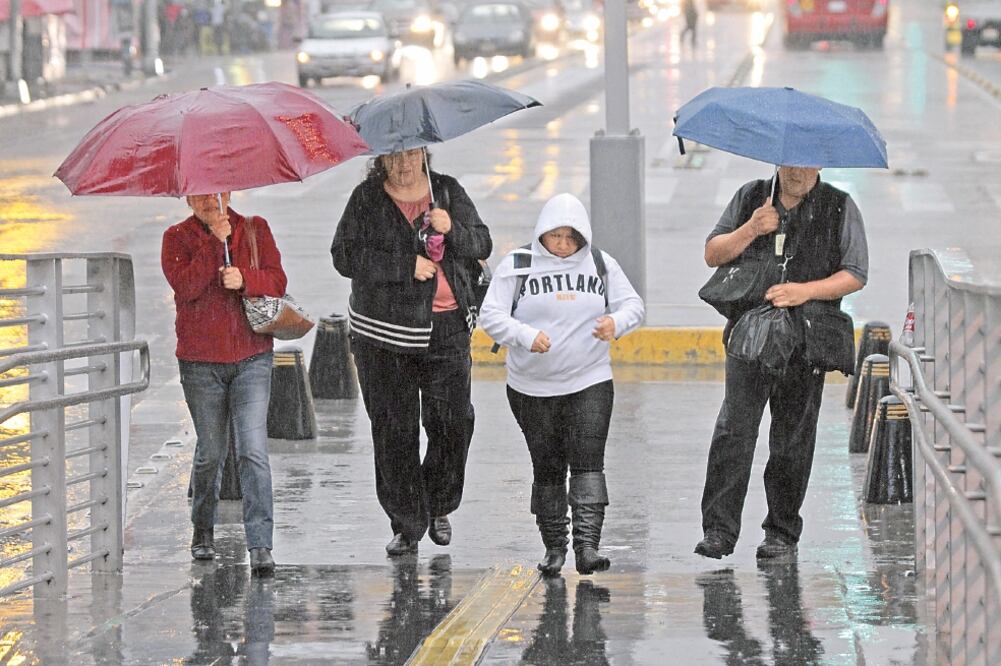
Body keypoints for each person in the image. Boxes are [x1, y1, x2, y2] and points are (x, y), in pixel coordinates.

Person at [694, 166, 869, 560]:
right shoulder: (750, 197)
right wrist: (752, 228)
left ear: (819, 166)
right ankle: (719, 531)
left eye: (805, 162)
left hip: (806, 341)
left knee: (793, 439)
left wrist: (803, 291)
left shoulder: (839, 206)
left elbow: (856, 273)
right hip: (750, 336)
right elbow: (712, 253)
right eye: (788, 160)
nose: (796, 170)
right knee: (733, 432)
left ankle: (781, 532)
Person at [331, 147, 492, 556]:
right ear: (381, 161)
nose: (403, 165)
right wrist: (404, 266)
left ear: (425, 154)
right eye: (394, 157)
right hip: (383, 335)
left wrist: (451, 227)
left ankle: (438, 503)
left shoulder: (447, 191)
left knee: (453, 422)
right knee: (393, 431)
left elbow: (481, 242)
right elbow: (345, 256)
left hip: (446, 328)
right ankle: (407, 522)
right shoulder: (366, 199)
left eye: (411, 155)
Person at [479, 193, 645, 577]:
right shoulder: (518, 265)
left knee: (588, 463)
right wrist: (524, 334)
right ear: (542, 233)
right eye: (557, 236)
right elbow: (491, 314)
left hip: (589, 380)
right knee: (548, 466)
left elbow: (633, 305)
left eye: (573, 237)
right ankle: (554, 547)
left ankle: (587, 547)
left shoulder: (601, 264)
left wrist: (615, 324)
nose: (564, 244)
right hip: (531, 389)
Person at [161, 192, 286, 575]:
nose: (207, 200)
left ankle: (261, 544)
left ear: (229, 192)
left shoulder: (253, 228)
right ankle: (202, 529)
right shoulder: (176, 237)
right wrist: (214, 244)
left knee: (252, 450)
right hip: (201, 364)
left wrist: (245, 278)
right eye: (198, 193)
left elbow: (277, 281)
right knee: (211, 452)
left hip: (251, 358)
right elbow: (185, 287)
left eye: (215, 192)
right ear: (187, 197)